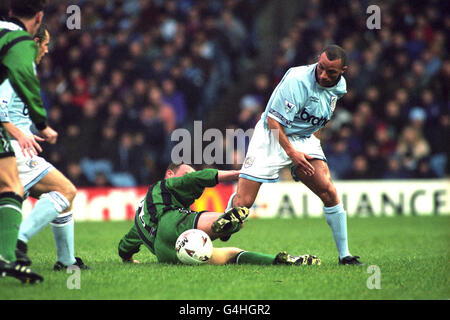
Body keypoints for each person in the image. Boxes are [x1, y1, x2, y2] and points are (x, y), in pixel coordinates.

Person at [227, 45, 364, 265]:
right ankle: (216, 229)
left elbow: (318, 117)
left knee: (329, 191)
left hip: (303, 138)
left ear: (343, 71)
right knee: (242, 205)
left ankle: (345, 256)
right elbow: (273, 121)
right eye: (321, 68)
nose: (322, 75)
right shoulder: (297, 79)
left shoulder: (340, 88)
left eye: (331, 72)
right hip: (271, 135)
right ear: (317, 61)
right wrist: (292, 153)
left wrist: (311, 147)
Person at [0, 25, 89, 271]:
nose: (47, 50)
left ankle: (66, 261)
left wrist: (39, 129)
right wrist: (21, 134)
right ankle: (20, 240)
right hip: (14, 149)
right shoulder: (19, 66)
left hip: (15, 146)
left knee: (60, 198)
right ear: (35, 42)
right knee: (66, 191)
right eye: (45, 44)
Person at [118, 163, 321, 266]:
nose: (189, 178)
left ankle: (277, 261)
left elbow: (125, 245)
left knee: (231, 254)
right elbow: (197, 178)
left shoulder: (139, 217)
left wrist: (128, 259)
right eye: (186, 174)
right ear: (170, 174)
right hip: (171, 223)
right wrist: (238, 173)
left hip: (167, 254)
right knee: (233, 221)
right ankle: (225, 222)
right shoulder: (163, 185)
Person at [0, 0, 55, 283]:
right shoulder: (17, 41)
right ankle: (9, 253)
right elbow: (22, 78)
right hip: (6, 130)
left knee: (10, 185)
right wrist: (42, 124)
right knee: (12, 187)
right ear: (38, 16)